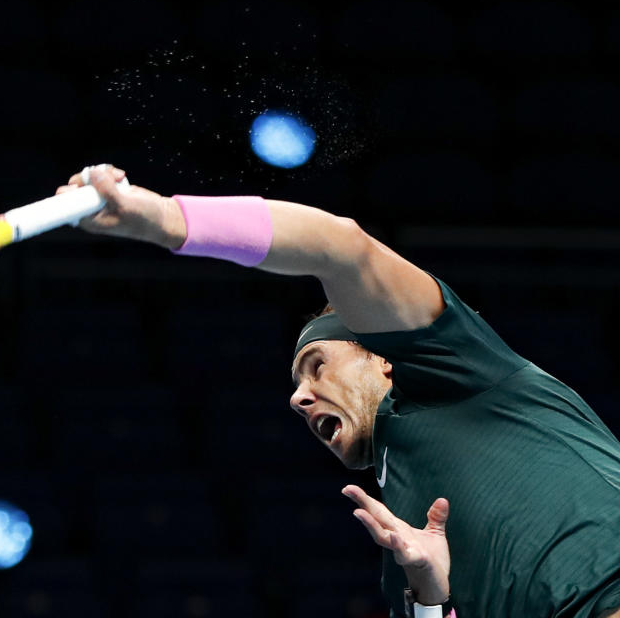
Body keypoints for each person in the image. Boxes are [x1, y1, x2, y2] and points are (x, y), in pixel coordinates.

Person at [57, 165, 620, 618]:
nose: (298, 399)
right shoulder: (397, 545)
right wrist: (429, 593)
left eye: (317, 366)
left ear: (384, 361)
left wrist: (159, 219)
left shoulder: (461, 375)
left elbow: (339, 246)